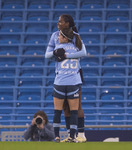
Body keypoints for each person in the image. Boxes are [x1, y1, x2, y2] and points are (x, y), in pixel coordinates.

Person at [45, 14, 87, 143]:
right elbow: (48, 55)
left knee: (76, 106)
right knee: (65, 108)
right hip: (62, 74)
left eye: (60, 21)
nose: (58, 23)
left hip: (74, 74)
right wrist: (55, 54)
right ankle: (70, 134)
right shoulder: (54, 36)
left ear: (67, 23)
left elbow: (83, 52)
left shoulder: (74, 35)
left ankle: (81, 133)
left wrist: (65, 56)